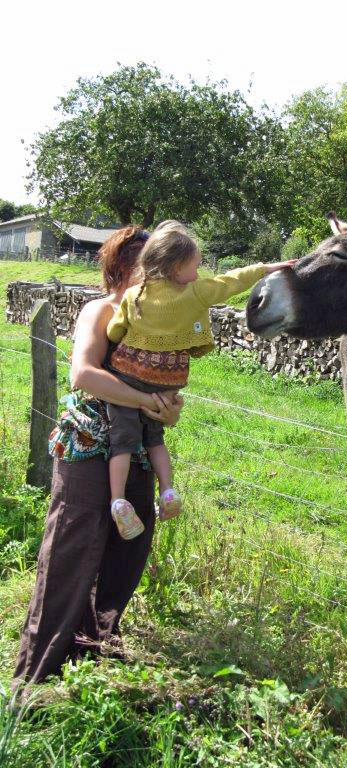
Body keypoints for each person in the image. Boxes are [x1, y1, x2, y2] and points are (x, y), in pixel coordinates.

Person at [13, 226, 183, 685]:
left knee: (127, 549)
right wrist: (146, 402)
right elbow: (83, 375)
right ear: (123, 268)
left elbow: (166, 403)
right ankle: (35, 675)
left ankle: (94, 646)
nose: (159, 278)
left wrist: (167, 410)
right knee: (72, 552)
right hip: (88, 447)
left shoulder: (158, 323)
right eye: (150, 267)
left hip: (136, 454)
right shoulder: (100, 310)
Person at [102, 221, 294, 538]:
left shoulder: (135, 294)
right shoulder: (195, 293)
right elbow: (233, 280)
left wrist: (121, 336)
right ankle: (167, 491)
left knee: (120, 443)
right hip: (166, 382)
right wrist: (268, 267)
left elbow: (114, 331)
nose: (199, 271)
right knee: (155, 439)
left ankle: (118, 500)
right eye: (195, 265)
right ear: (177, 268)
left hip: (127, 379)